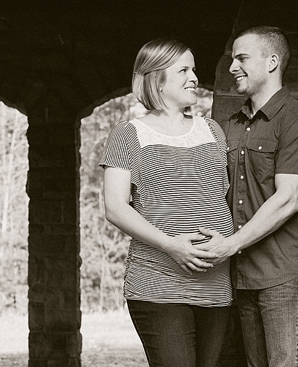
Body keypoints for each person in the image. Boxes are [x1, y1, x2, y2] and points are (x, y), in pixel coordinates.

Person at [196, 26, 298, 366]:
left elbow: (288, 199)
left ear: (272, 62)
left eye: (241, 58)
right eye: (231, 59)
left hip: (287, 272)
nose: (231, 67)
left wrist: (230, 244)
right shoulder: (231, 126)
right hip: (242, 277)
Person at [100, 38, 234, 367]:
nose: (194, 77)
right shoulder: (127, 133)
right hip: (158, 284)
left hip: (217, 286)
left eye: (194, 69)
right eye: (184, 70)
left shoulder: (213, 130)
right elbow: (115, 208)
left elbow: (226, 197)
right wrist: (172, 246)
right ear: (158, 79)